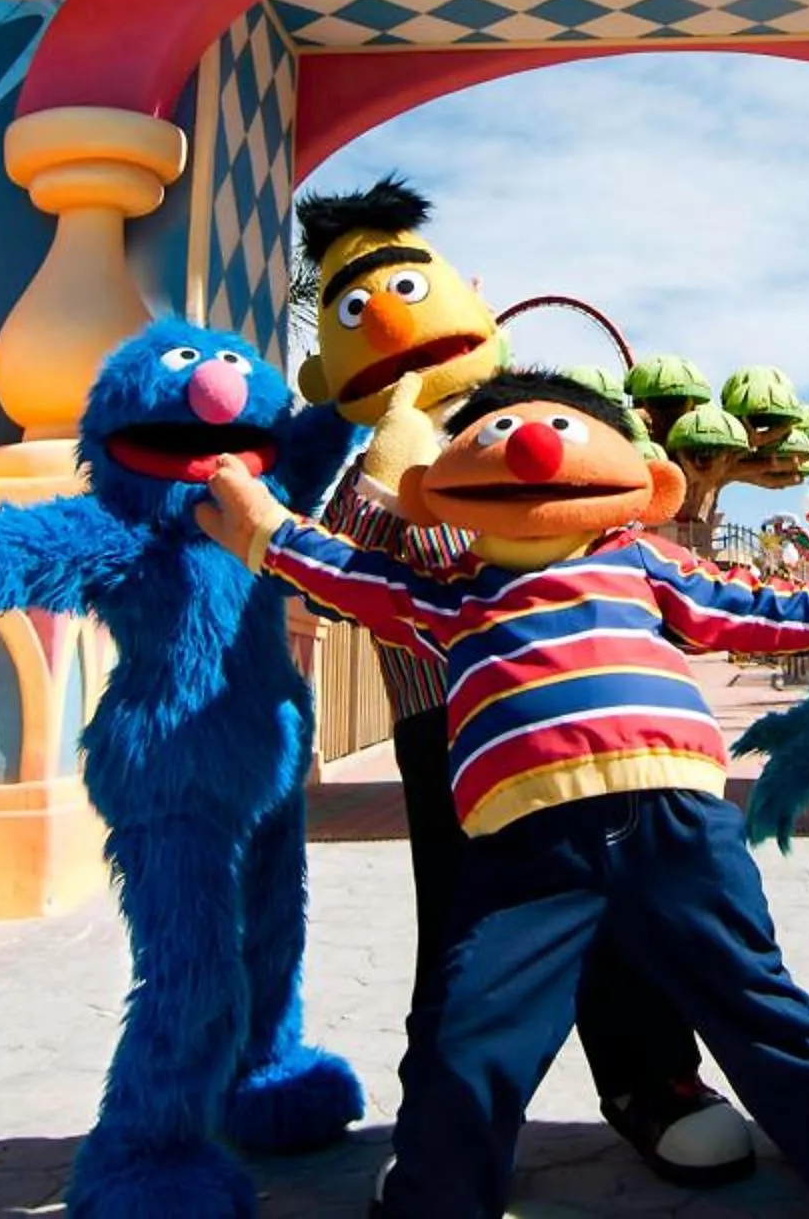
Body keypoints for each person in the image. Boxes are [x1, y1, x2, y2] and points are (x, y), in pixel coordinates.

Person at [199, 373, 809, 1219]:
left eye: (560, 428)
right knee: (472, 1029)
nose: (532, 447)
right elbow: (353, 574)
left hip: (677, 821)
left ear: (641, 480)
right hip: (524, 848)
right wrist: (264, 530)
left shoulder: (640, 559)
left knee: (760, 1004)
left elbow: (748, 606)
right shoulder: (455, 593)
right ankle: (437, 1195)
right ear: (436, 495)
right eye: (499, 433)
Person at [289, 180, 755, 1186]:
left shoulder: (537, 414)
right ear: (331, 362)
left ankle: (653, 1080)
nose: (401, 325)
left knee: (622, 905)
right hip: (447, 728)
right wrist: (389, 452)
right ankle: (447, 1132)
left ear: (473, 294)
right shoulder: (371, 456)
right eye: (359, 310)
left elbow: (626, 530)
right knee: (461, 929)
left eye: (411, 286)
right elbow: (335, 588)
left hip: (589, 709)